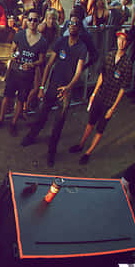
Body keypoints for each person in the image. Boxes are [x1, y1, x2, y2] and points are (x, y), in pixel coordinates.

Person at [21, 9, 89, 167]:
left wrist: (68, 88)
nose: (72, 26)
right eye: (70, 23)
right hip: (52, 86)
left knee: (58, 123)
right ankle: (31, 137)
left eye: (75, 24)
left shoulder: (82, 48)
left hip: (65, 92)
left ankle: (51, 152)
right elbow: (49, 65)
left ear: (79, 28)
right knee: (42, 114)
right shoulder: (61, 42)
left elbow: (78, 72)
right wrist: (42, 86)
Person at [68, 30, 133, 164]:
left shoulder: (127, 64)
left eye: (124, 40)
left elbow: (122, 89)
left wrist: (113, 108)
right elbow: (102, 76)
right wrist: (93, 94)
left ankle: (88, 152)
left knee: (100, 129)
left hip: (110, 101)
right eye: (120, 39)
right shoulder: (109, 56)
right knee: (90, 123)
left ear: (128, 43)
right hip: (99, 96)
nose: (121, 42)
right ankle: (81, 145)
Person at [0, 9, 47, 135]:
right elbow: (12, 50)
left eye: (35, 20)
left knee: (21, 100)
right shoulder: (19, 35)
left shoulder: (42, 41)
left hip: (28, 76)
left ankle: (13, 123)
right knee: (7, 97)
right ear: (26, 20)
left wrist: (31, 64)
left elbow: (41, 60)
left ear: (38, 22)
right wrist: (14, 56)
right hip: (14, 72)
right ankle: (1, 120)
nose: (32, 22)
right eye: (30, 19)